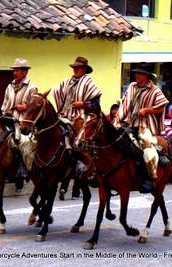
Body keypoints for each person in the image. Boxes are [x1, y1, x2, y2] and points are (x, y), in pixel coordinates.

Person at [53, 56, 102, 198]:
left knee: (78, 145)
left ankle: (83, 176)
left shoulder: (90, 84)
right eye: (74, 67)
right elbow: (57, 92)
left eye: (78, 68)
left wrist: (84, 104)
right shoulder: (66, 82)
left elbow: (96, 105)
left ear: (85, 69)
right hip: (65, 115)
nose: (75, 70)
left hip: (81, 117)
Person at [115, 62, 169, 189]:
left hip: (145, 125)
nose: (137, 75)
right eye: (136, 73)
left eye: (140, 73)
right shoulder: (132, 86)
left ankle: (150, 177)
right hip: (129, 122)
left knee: (146, 145)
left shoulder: (155, 90)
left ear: (146, 76)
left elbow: (161, 108)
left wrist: (147, 110)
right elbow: (125, 104)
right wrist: (117, 121)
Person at [1, 58, 38, 192]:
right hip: (9, 118)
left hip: (23, 122)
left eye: (17, 70)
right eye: (14, 70)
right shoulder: (9, 86)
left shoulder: (32, 88)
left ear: (25, 72)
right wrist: (4, 113)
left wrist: (24, 106)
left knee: (21, 142)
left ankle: (23, 171)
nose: (14, 72)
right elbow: (5, 104)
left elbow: (34, 106)